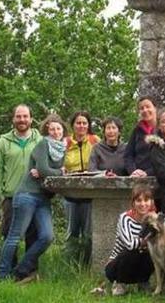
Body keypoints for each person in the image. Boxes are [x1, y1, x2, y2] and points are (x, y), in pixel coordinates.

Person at [0, 114, 67, 282]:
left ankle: (21, 270)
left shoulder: (61, 149)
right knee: (15, 236)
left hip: (43, 198)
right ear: (47, 131)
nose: (56, 132)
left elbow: (45, 173)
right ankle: (2, 274)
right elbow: (43, 168)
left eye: (58, 128)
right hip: (27, 195)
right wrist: (60, 172)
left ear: (63, 130)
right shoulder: (43, 144)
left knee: (47, 236)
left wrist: (49, 173)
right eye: (52, 129)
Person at [0, 104, 42, 270]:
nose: (22, 120)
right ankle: (8, 270)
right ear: (13, 119)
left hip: (35, 194)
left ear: (31, 119)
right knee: (9, 235)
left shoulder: (39, 140)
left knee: (33, 235)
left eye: (25, 116)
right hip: (12, 196)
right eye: (19, 116)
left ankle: (28, 271)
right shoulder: (3, 142)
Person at [103, 184, 157, 296]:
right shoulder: (125, 218)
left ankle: (143, 281)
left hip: (138, 265)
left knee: (154, 252)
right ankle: (120, 283)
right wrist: (147, 240)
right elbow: (130, 244)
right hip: (116, 266)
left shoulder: (154, 220)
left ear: (151, 202)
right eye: (139, 200)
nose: (143, 204)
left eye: (146, 200)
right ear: (133, 203)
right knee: (133, 251)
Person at [61, 111, 100, 264]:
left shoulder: (95, 140)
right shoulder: (66, 142)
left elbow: (103, 158)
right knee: (71, 233)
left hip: (90, 193)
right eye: (78, 123)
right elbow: (58, 162)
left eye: (84, 123)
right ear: (73, 125)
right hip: (70, 193)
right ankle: (68, 266)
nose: (81, 126)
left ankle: (88, 266)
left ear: (88, 125)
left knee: (89, 233)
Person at [124, 97, 158, 177]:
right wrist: (133, 171)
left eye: (148, 106)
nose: (145, 110)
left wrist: (147, 173)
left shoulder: (163, 129)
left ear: (155, 108)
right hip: (138, 177)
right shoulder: (137, 131)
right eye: (141, 108)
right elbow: (128, 155)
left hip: (159, 176)